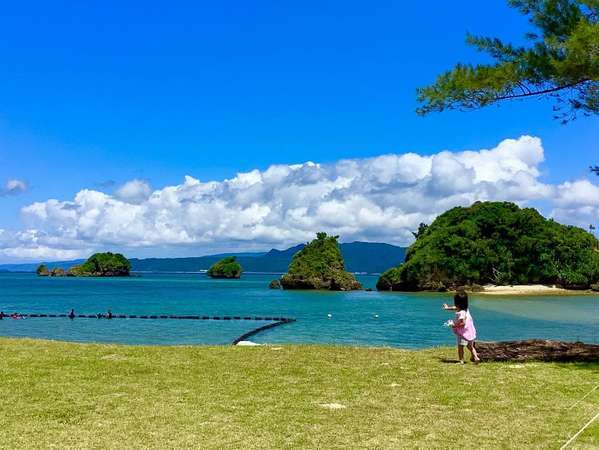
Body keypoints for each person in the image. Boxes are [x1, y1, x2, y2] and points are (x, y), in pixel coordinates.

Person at [443, 291, 480, 364]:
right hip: (470, 331)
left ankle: (461, 361)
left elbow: (462, 323)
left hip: (463, 333)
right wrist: (447, 308)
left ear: (457, 302)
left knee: (460, 347)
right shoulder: (465, 308)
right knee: (470, 346)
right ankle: (476, 357)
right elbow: (455, 308)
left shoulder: (461, 313)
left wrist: (453, 324)